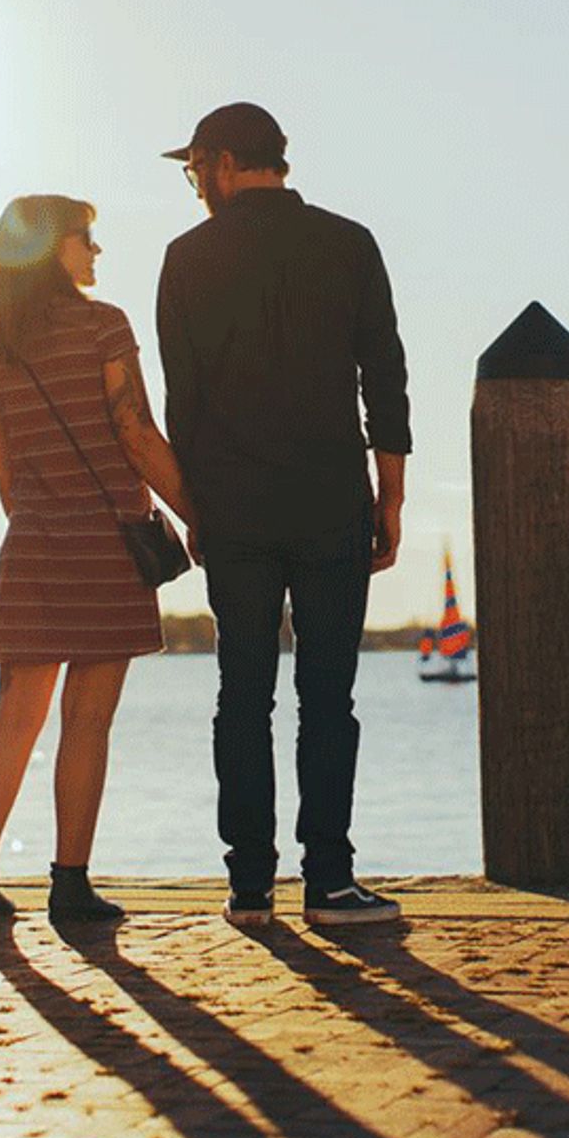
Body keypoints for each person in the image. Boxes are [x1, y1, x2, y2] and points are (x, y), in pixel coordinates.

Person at [158, 103, 410, 927]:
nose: (194, 185)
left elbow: (183, 404)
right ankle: (330, 882)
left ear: (226, 162)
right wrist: (391, 496)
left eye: (195, 168)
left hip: (234, 511)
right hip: (332, 500)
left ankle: (249, 885)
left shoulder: (186, 259)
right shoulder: (348, 243)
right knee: (328, 699)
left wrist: (198, 509)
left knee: (243, 697)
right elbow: (386, 380)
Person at [0, 195, 199, 923]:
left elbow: (4, 478)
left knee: (13, 720)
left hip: (31, 547)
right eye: (86, 239)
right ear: (50, 250)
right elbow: (137, 434)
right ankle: (70, 884)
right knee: (87, 721)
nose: (96, 253)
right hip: (107, 548)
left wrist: (43, 521)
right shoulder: (103, 326)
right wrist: (201, 517)